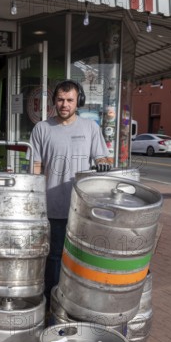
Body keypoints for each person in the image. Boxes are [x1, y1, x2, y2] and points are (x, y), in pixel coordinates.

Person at [29, 79, 111, 309]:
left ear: (79, 102)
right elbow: (35, 169)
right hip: (52, 207)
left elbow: (102, 158)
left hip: (83, 210)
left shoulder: (90, 128)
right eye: (60, 100)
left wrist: (103, 163)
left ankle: (77, 303)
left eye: (70, 100)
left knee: (81, 257)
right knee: (53, 258)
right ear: (54, 101)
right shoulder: (42, 129)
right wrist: (34, 203)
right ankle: (51, 304)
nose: (64, 104)